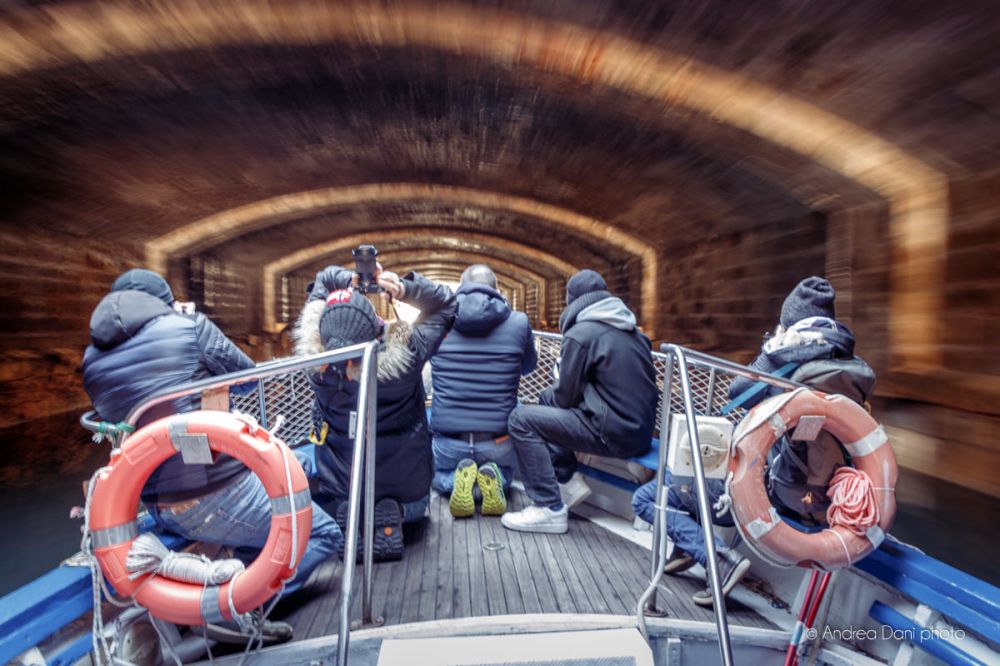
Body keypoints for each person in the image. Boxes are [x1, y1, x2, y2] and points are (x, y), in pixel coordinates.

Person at [82, 269, 343, 643]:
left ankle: (242, 563)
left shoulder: (92, 361)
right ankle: (239, 608)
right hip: (216, 493)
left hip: (155, 501)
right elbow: (248, 377)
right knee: (324, 533)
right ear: (163, 304)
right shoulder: (189, 327)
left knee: (299, 465)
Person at [633, 276, 874, 607]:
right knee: (706, 477)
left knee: (650, 496)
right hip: (826, 495)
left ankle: (719, 561)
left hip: (775, 491)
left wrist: (772, 347)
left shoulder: (787, 351)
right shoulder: (849, 366)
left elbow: (737, 393)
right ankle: (687, 550)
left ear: (789, 321)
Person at [294, 263, 456, 561]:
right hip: (409, 492)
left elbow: (322, 281)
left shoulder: (316, 370)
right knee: (415, 504)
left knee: (344, 497)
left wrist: (345, 281)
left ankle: (352, 512)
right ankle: (396, 511)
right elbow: (446, 304)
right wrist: (402, 288)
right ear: (375, 329)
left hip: (343, 490)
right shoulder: (408, 358)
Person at [501, 269, 658, 534]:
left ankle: (549, 506)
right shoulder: (635, 334)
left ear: (571, 301)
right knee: (544, 407)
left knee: (521, 419)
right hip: (639, 433)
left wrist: (545, 396)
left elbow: (564, 398)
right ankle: (566, 480)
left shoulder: (581, 334)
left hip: (611, 435)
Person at [429, 264, 537, 518]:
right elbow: (528, 367)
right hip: (498, 442)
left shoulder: (438, 322)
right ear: (497, 290)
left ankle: (457, 482)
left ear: (460, 289)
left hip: (448, 443)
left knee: (434, 475)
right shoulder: (519, 322)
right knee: (507, 478)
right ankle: (494, 479)